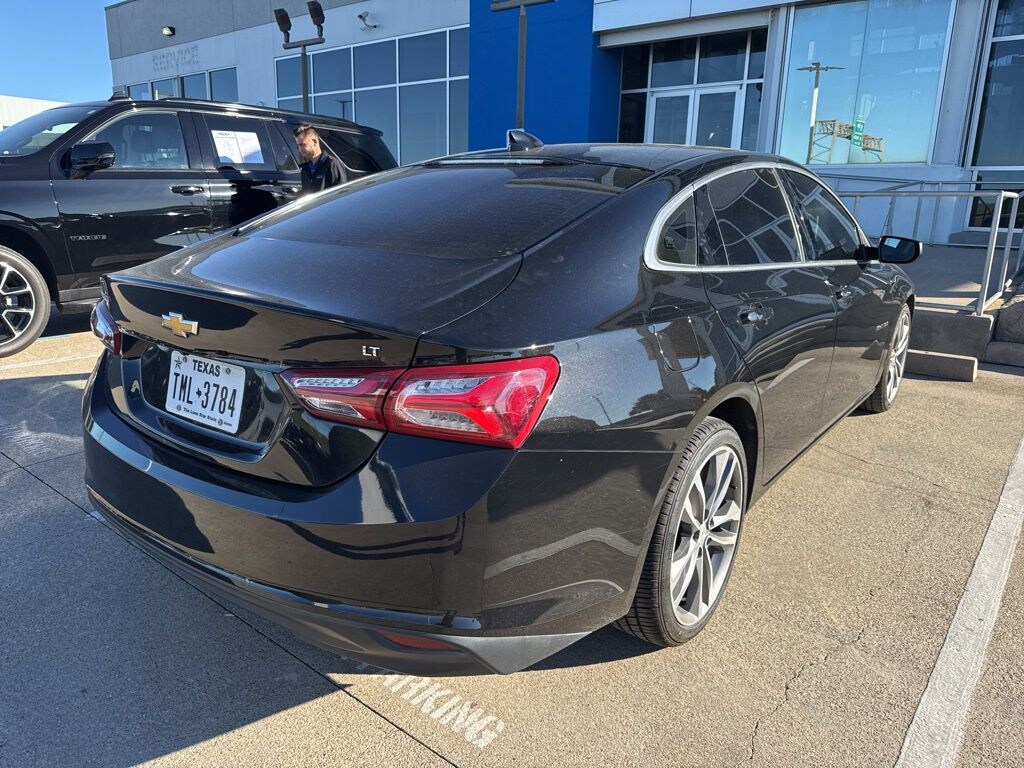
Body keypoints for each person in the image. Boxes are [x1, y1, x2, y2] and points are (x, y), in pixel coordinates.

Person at [293, 124, 346, 193]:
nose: (300, 150)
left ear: (314, 142)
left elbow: (341, 196)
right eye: (298, 145)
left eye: (303, 145)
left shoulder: (331, 164)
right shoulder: (305, 169)